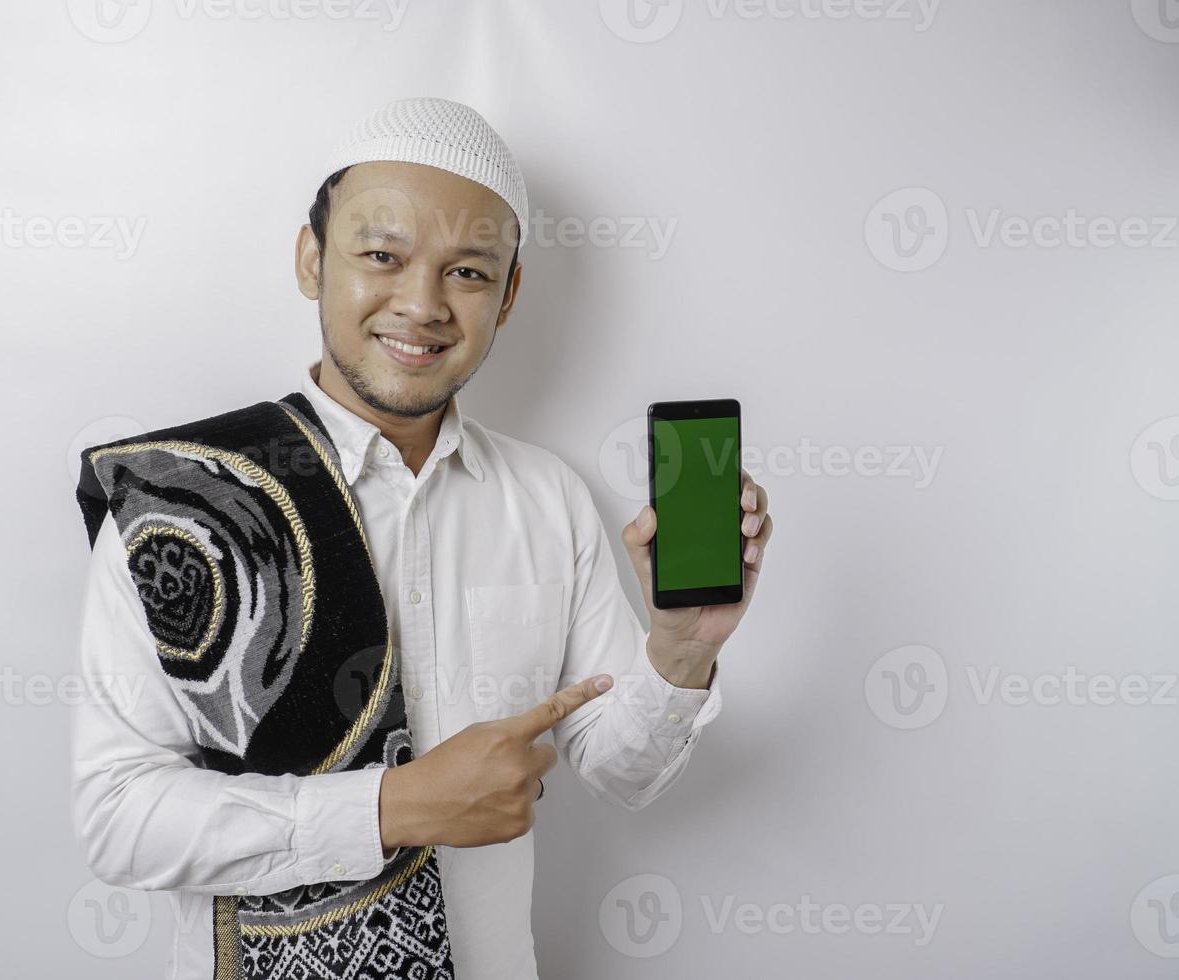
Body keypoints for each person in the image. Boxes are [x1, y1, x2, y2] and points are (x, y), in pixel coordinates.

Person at [71, 96, 773, 980]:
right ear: (311, 258)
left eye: (469, 273)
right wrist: (392, 807)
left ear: (509, 295)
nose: (422, 303)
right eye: (381, 256)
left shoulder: (547, 500)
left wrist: (679, 651)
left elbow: (622, 773)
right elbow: (118, 819)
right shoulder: (184, 501)